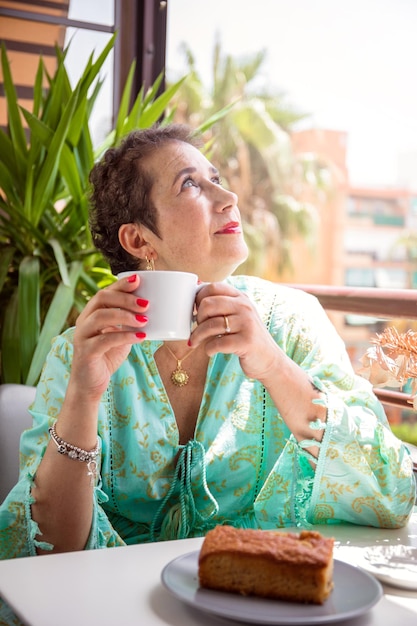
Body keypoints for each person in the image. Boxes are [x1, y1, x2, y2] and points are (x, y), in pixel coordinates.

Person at [0, 123, 415, 566]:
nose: (229, 197)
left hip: (255, 592)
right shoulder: (81, 352)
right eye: (191, 184)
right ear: (138, 239)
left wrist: (273, 366)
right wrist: (84, 395)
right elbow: (46, 551)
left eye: (216, 179)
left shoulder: (291, 322)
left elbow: (392, 492)